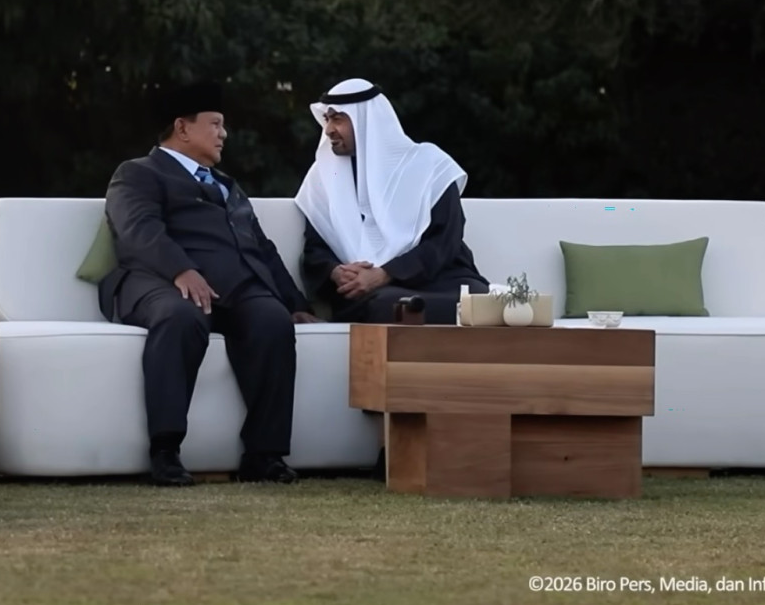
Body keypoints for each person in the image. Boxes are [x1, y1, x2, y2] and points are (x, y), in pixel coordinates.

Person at [98, 81, 322, 487]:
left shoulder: (227, 184)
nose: (224, 134)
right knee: (181, 316)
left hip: (234, 289)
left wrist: (295, 303)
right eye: (215, 124)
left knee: (273, 321)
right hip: (158, 282)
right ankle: (165, 451)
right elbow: (138, 229)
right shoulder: (138, 173)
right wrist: (181, 270)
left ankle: (264, 455)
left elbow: (263, 248)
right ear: (182, 128)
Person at [294, 78, 489, 324]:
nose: (329, 129)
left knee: (477, 301)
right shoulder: (324, 176)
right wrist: (337, 273)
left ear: (366, 121)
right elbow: (315, 250)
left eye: (338, 119)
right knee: (389, 306)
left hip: (441, 280)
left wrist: (385, 273)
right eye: (327, 119)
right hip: (369, 292)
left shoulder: (428, 165)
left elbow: (445, 240)